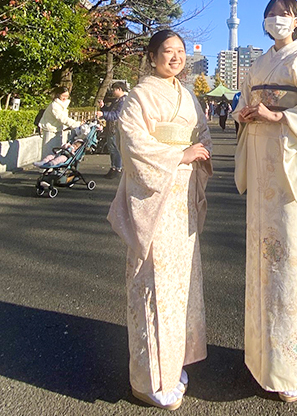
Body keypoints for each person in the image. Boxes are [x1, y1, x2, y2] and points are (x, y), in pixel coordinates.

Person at [233, 0, 297, 402]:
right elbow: (244, 100)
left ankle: (295, 366)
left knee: (291, 255)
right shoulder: (256, 65)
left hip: (291, 164)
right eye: (271, 13)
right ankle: (264, 361)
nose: (277, 19)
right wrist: (244, 113)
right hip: (262, 162)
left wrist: (279, 116)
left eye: (285, 14)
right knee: (264, 256)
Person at [107, 29, 212, 410]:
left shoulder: (188, 96)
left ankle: (173, 364)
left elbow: (202, 133)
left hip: (182, 197)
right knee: (152, 280)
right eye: (167, 51)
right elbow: (133, 141)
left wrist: (199, 151)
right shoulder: (140, 95)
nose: (176, 57)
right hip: (155, 197)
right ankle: (151, 378)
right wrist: (179, 156)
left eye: (181, 51)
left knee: (178, 283)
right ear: (152, 57)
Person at [96, 81, 127, 179]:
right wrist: (103, 107)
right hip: (111, 128)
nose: (113, 91)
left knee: (116, 149)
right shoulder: (117, 100)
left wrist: (103, 114)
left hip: (116, 128)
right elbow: (110, 112)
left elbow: (117, 115)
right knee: (111, 148)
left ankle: (118, 168)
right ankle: (113, 167)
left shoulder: (124, 101)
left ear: (119, 89)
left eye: (114, 89)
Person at [39, 86, 80, 158]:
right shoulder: (54, 105)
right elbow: (62, 118)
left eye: (67, 96)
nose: (65, 98)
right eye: (63, 96)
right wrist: (76, 124)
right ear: (58, 95)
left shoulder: (63, 104)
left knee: (56, 152)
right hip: (50, 130)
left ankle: (54, 167)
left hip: (58, 130)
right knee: (48, 153)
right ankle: (46, 167)